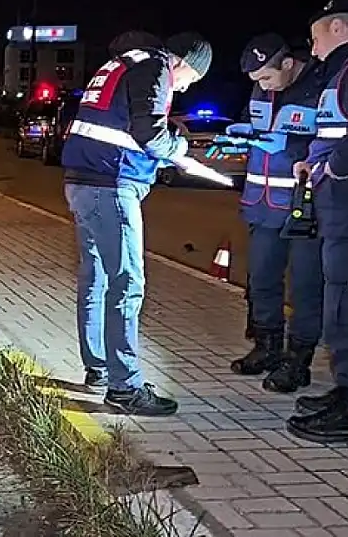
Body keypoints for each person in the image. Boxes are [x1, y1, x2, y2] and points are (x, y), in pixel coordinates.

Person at [61, 32, 212, 416]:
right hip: (111, 185)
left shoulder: (124, 62)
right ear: (183, 62)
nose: (186, 86)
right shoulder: (155, 66)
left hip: (82, 181)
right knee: (127, 283)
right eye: (190, 79)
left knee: (94, 277)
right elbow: (149, 133)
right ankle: (124, 387)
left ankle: (98, 367)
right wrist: (178, 152)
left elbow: (121, 125)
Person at [221, 34, 325, 393]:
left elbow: (331, 139)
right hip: (262, 204)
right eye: (256, 82)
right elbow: (258, 126)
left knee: (305, 286)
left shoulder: (319, 85)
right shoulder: (261, 90)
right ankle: (267, 347)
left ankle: (298, 361)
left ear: (287, 64)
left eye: (266, 78)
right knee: (262, 279)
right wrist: (244, 133)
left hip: (302, 206)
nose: (262, 86)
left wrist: (292, 145)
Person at [287, 0, 348, 444]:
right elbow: (331, 131)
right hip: (335, 204)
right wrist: (313, 162)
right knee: (338, 296)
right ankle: (345, 389)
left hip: (347, 200)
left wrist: (336, 167)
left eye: (315, 35)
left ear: (337, 26)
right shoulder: (338, 73)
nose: (312, 47)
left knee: (346, 298)